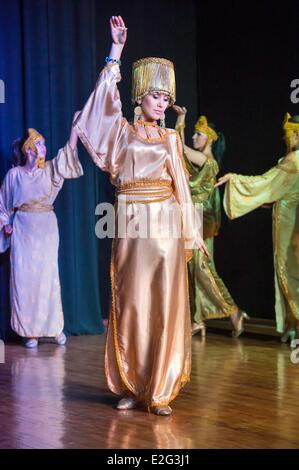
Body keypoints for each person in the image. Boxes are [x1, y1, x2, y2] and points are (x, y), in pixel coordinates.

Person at [74, 16, 208, 415]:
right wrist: (115, 50)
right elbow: (100, 100)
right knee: (132, 302)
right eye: (155, 97)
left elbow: (182, 187)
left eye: (166, 99)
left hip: (164, 224)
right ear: (139, 98)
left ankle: (161, 389)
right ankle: (132, 383)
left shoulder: (170, 139)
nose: (161, 104)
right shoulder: (122, 134)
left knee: (163, 303)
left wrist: (192, 231)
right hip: (130, 223)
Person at [216, 113, 299, 346]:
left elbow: (264, 183)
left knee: (288, 271)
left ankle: (296, 323)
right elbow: (273, 190)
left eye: (288, 134)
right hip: (288, 219)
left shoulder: (293, 160)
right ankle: (292, 324)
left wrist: (235, 178)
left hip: (290, 223)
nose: (285, 138)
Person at [0, 117, 83, 348]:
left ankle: (54, 329)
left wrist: (74, 129)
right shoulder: (14, 175)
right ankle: (31, 332)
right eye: (39, 145)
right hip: (23, 228)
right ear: (28, 149)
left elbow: (68, 154)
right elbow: (3, 204)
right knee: (25, 279)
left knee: (47, 278)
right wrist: (6, 223)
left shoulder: (49, 170)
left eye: (44, 145)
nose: (44, 149)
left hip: (45, 226)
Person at [174, 107, 248, 337]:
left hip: (202, 217)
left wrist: (181, 119)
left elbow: (176, 146)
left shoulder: (206, 159)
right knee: (193, 268)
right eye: (194, 133)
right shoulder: (201, 159)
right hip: (194, 213)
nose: (194, 137)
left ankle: (233, 310)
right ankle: (197, 320)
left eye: (199, 134)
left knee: (203, 267)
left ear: (210, 139)